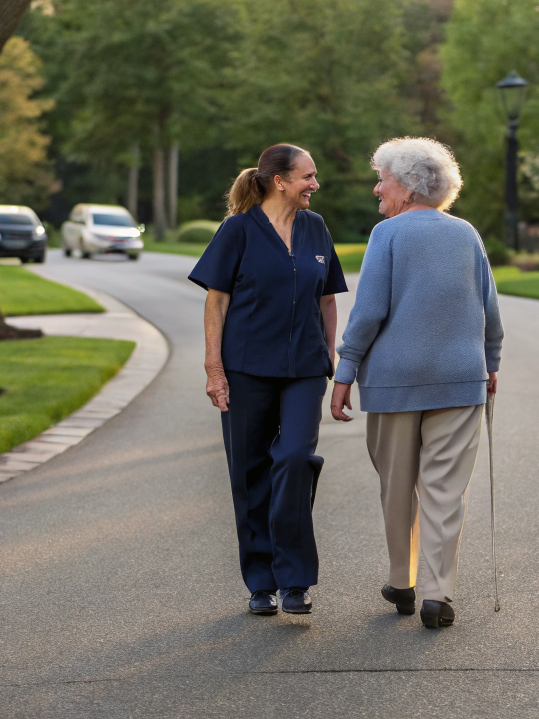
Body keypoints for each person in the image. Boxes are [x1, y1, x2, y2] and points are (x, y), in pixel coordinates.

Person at [330, 137, 503, 629]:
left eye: (382, 178)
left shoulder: (387, 235)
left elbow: (367, 315)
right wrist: (490, 362)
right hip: (460, 379)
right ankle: (437, 593)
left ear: (406, 187)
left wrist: (345, 372)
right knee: (445, 490)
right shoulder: (467, 233)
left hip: (393, 383)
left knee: (397, 485)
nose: (376, 188)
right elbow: (489, 309)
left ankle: (401, 581)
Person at [189, 144, 348, 617]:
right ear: (280, 181)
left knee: (296, 459)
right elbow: (216, 302)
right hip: (245, 369)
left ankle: (294, 579)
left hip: (304, 369)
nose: (315, 185)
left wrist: (330, 358)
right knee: (250, 471)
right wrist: (214, 369)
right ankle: (261, 582)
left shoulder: (315, 228)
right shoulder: (238, 230)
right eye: (307, 177)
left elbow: (327, 299)